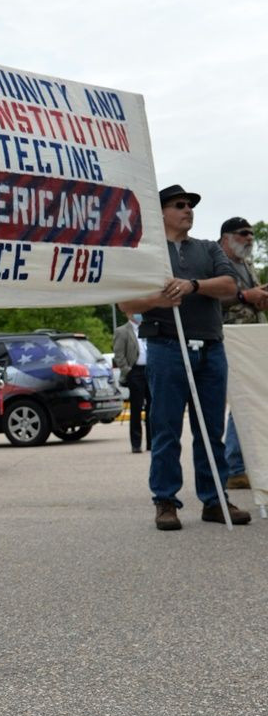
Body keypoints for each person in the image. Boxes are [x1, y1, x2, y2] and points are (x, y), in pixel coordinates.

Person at [117, 184, 251, 532]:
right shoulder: (147, 253)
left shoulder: (207, 249)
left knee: (211, 430)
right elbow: (127, 304)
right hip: (166, 348)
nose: (187, 210)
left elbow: (229, 286)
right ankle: (165, 500)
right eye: (179, 205)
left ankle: (215, 498)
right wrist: (159, 300)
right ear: (160, 212)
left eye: (190, 205)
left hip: (210, 347)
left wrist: (192, 285)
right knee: (165, 428)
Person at [218, 216, 268, 490]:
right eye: (243, 233)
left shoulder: (247, 264)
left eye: (251, 233)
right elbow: (211, 297)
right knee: (241, 401)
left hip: (251, 339)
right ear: (226, 237)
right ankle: (235, 467)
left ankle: (240, 465)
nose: (250, 238)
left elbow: (250, 297)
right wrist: (244, 296)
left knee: (248, 399)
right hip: (228, 338)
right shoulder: (217, 261)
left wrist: (259, 297)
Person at [112, 310, 151, 453]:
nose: (138, 315)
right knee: (136, 408)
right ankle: (136, 443)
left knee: (152, 409)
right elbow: (119, 354)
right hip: (135, 372)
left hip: (150, 371)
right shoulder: (122, 331)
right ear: (129, 314)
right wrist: (127, 371)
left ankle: (151, 443)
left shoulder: (147, 327)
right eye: (135, 312)